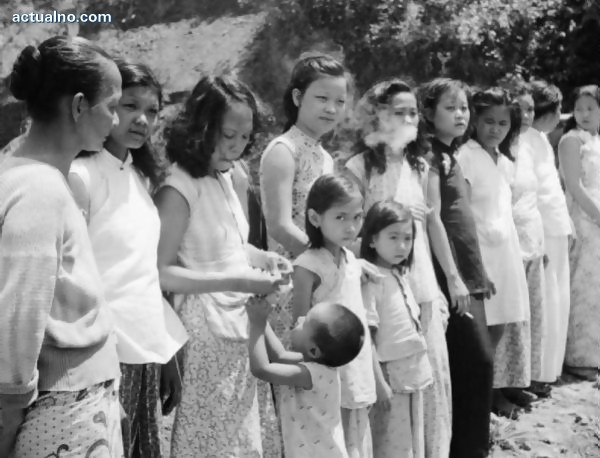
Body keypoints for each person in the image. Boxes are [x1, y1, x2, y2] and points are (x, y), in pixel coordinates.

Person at [154, 75, 291, 457]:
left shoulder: (229, 175)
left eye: (245, 137)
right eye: (228, 135)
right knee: (214, 440)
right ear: (202, 127)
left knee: (243, 440)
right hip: (205, 334)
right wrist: (238, 280)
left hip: (242, 324)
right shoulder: (178, 187)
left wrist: (262, 258)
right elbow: (161, 272)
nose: (237, 146)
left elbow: (228, 244)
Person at [0, 35, 123, 457]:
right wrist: (9, 417)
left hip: (70, 403)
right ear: (78, 106)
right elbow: (19, 315)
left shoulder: (23, 171)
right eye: (112, 106)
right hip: (62, 409)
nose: (116, 121)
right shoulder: (40, 190)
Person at [69, 60, 188, 457]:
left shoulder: (139, 179)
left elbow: (142, 275)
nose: (142, 119)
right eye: (130, 106)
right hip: (104, 359)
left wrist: (164, 352)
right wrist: (102, 377)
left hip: (144, 355)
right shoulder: (81, 176)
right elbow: (75, 281)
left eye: (151, 111)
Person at [345, 79, 452, 458]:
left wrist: (449, 282)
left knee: (430, 378)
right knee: (389, 381)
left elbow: (433, 224)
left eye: (412, 112)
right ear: (379, 116)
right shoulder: (359, 167)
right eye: (398, 112)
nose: (408, 119)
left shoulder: (420, 164)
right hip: (379, 290)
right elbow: (349, 231)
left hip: (421, 281)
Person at [419, 78, 495, 458]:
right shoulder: (431, 155)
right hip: (450, 275)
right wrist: (452, 277)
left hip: (467, 271)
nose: (460, 114)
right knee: (475, 363)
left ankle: (473, 447)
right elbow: (432, 215)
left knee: (475, 366)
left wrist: (479, 272)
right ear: (429, 113)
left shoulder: (452, 153)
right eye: (450, 108)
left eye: (464, 107)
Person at [260, 52, 350, 338]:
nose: (331, 109)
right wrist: (322, 263)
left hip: (322, 280)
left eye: (340, 101)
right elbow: (279, 226)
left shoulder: (325, 158)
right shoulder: (283, 150)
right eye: (322, 98)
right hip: (290, 282)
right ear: (298, 97)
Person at [456, 87, 530, 417]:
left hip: (505, 251)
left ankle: (493, 393)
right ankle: (477, 401)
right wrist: (474, 265)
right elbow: (462, 213)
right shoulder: (466, 156)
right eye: (488, 121)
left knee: (500, 325)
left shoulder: (503, 159)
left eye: (503, 123)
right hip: (480, 252)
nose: (495, 129)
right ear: (475, 120)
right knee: (481, 333)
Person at [292, 174, 378, 457]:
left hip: (357, 369)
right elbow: (299, 329)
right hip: (327, 379)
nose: (351, 227)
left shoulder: (351, 260)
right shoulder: (307, 266)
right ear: (315, 218)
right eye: (340, 217)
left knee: (357, 442)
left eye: (357, 217)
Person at [246, 299, 364, 458]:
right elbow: (279, 355)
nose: (300, 319)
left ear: (314, 350)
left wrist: (256, 325)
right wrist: (262, 320)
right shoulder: (320, 366)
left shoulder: (308, 374)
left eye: (305, 323)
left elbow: (261, 369)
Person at [360, 201, 433, 458]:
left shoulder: (399, 274)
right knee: (392, 446)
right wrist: (379, 384)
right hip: (391, 378)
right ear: (372, 239)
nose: (402, 246)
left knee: (411, 442)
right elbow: (368, 336)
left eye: (407, 238)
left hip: (413, 373)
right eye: (393, 237)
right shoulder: (371, 280)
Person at [526, 81, 573, 389]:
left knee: (558, 299)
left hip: (556, 226)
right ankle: (538, 373)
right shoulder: (524, 141)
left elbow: (553, 186)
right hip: (541, 230)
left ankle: (550, 370)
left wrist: (566, 223)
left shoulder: (542, 139)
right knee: (546, 302)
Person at [558, 85, 600, 382]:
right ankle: (579, 356)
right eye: (579, 108)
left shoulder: (597, 139)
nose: (584, 114)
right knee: (584, 286)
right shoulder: (571, 140)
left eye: (591, 108)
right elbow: (574, 185)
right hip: (584, 218)